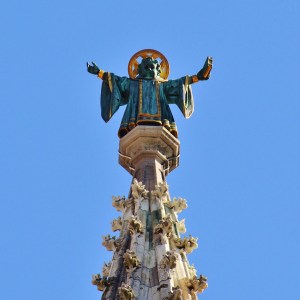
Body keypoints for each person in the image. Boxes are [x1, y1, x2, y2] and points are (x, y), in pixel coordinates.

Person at [87, 50, 212, 138]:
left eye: (154, 67)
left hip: (161, 119)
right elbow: (116, 81)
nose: (151, 69)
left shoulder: (162, 85)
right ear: (139, 70)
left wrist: (198, 77)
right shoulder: (132, 83)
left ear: (159, 70)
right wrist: (99, 73)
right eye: (147, 67)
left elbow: (180, 83)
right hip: (135, 119)